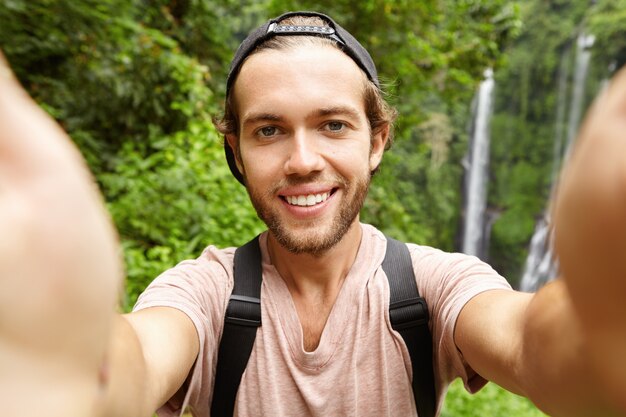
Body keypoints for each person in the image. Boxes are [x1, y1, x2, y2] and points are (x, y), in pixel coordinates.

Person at [1, 10, 625, 417]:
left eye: (332, 124)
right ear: (236, 153)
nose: (303, 160)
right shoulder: (207, 294)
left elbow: (526, 342)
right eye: (269, 130)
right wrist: (67, 360)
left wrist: (600, 329)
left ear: (376, 140)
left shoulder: (432, 287)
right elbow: (137, 356)